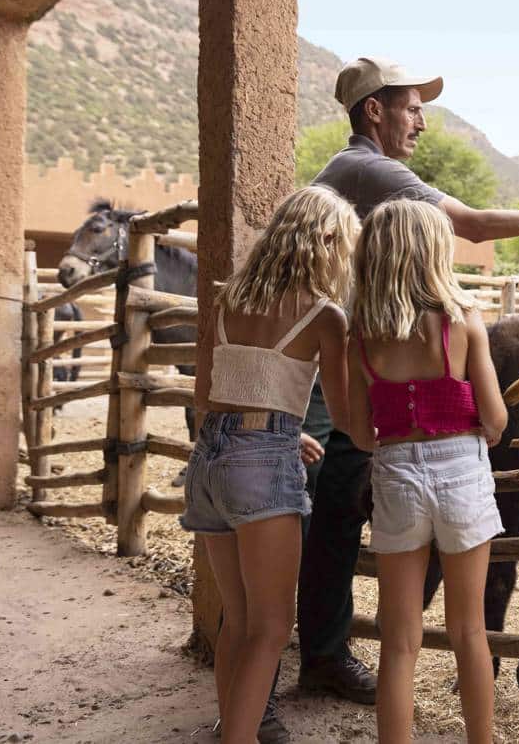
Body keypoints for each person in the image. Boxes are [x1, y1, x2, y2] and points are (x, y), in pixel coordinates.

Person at [296, 57, 519, 705]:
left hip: (336, 355)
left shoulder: (348, 173)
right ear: (373, 110)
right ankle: (320, 654)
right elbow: (474, 225)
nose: (421, 123)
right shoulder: (369, 168)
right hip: (343, 365)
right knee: (339, 496)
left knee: (335, 502)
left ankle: (321, 650)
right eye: (411, 108)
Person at [180, 186, 359, 744]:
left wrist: (285, 427)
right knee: (274, 627)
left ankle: (229, 725)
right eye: (345, 246)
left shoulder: (229, 298)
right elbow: (348, 415)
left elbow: (210, 393)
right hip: (261, 467)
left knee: (238, 619)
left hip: (209, 460)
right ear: (326, 239)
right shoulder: (324, 314)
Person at [347, 199, 507, 743]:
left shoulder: (362, 334)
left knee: (399, 639)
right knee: (469, 631)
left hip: (394, 475)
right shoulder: (462, 321)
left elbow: (357, 430)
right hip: (460, 469)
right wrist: (482, 428)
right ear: (432, 252)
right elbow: (495, 417)